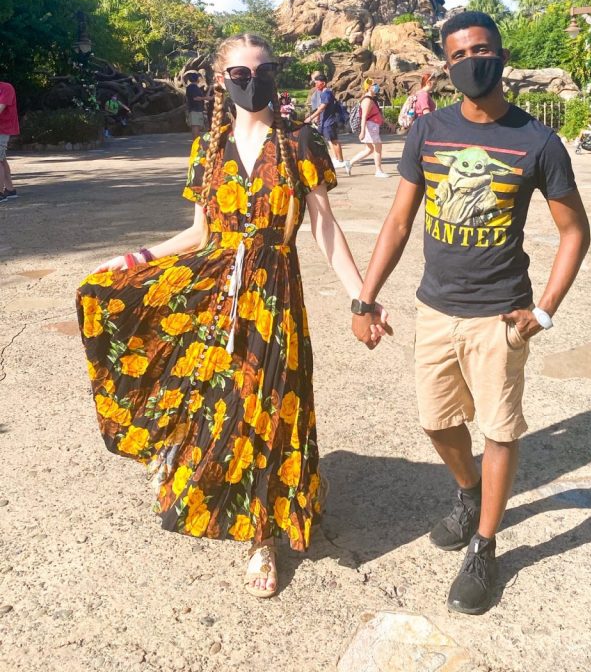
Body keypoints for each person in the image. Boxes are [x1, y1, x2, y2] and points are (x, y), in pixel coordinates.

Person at [75, 33, 390, 599]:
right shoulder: (208, 149)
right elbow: (199, 233)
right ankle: (193, 470)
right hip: (215, 289)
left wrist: (360, 297)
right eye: (241, 73)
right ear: (223, 81)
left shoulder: (301, 143)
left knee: (269, 407)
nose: (253, 81)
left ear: (275, 75)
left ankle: (262, 535)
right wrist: (135, 257)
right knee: (210, 396)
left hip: (274, 294)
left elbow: (322, 228)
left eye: (263, 70)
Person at [351, 11, 591, 615]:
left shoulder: (537, 142)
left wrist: (546, 310)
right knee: (436, 423)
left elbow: (574, 231)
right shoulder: (429, 130)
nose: (470, 63)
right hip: (435, 308)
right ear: (446, 65)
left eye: (480, 50)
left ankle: (485, 545)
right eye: (457, 55)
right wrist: (365, 296)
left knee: (500, 429)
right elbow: (400, 222)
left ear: (501, 55)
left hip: (500, 315)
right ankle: (467, 492)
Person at [305, 75, 351, 176]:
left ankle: (341, 161)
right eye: (315, 83)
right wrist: (318, 118)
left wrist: (311, 117)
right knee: (331, 141)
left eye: (317, 83)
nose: (316, 85)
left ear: (324, 83)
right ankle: (340, 160)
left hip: (329, 122)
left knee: (334, 141)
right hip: (326, 121)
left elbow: (322, 107)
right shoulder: (325, 93)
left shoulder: (326, 93)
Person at [348, 79, 390, 178]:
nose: (376, 86)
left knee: (369, 149)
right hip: (371, 127)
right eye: (374, 84)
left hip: (372, 126)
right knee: (378, 148)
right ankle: (378, 170)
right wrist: (362, 132)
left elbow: (376, 114)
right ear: (369, 87)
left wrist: (388, 124)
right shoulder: (367, 100)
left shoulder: (371, 99)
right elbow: (364, 117)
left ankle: (350, 163)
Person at [0, 79, 20, 202]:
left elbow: (0, 108)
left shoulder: (6, 88)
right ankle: (10, 190)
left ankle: (0, 193)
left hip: (2, 129)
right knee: (2, 159)